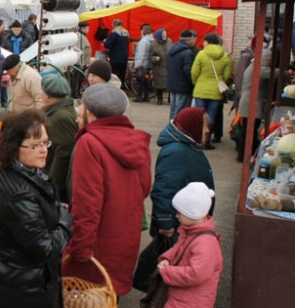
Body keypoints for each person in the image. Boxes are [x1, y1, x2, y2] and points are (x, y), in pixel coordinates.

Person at [64, 82, 151, 297]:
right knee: (110, 295)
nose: (78, 116)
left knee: (89, 296)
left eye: (81, 111)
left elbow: (86, 204)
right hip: (126, 237)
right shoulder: (136, 140)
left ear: (91, 114)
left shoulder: (90, 143)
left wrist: (79, 250)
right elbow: (144, 187)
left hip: (97, 243)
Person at [0, 109, 72, 308]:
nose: (43, 150)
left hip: (17, 279)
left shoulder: (21, 172)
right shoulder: (18, 194)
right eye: (35, 145)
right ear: (14, 147)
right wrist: (65, 220)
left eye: (45, 143)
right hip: (24, 291)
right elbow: (46, 250)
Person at [151, 107, 215, 241]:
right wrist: (165, 222)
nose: (207, 131)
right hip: (177, 226)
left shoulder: (190, 145)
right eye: (204, 126)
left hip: (187, 221)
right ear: (193, 126)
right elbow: (164, 189)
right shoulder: (176, 152)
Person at [157, 182, 223, 308]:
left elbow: (195, 274)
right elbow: (179, 248)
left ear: (192, 214)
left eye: (179, 213)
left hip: (192, 302)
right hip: (181, 297)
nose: (176, 216)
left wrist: (167, 272)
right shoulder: (190, 230)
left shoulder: (206, 243)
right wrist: (167, 258)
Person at [191, 33, 231, 150]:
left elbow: (194, 72)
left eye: (204, 41)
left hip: (201, 89)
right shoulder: (224, 56)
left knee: (200, 116)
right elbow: (227, 74)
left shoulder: (201, 54)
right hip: (215, 91)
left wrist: (196, 83)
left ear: (208, 42)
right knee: (211, 116)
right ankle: (207, 141)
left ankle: (199, 139)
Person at [41, 74, 78, 202]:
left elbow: (63, 154)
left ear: (48, 96)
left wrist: (51, 187)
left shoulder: (60, 117)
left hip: (55, 183)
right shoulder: (58, 111)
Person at [237, 50, 274, 162]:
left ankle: (242, 154)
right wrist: (286, 72)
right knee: (249, 131)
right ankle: (245, 155)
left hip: (248, 102)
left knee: (247, 130)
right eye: (269, 60)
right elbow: (271, 73)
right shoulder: (258, 68)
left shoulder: (253, 66)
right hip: (251, 103)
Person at [167, 29, 199, 120]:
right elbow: (188, 71)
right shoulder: (187, 53)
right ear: (188, 40)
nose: (195, 41)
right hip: (183, 86)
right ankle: (177, 130)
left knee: (173, 110)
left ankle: (171, 127)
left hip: (172, 84)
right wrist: (192, 83)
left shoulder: (172, 49)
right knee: (180, 111)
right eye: (193, 39)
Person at [103, 19, 130, 87]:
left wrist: (105, 41)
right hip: (124, 56)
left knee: (114, 74)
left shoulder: (114, 33)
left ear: (114, 25)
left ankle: (115, 87)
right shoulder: (126, 33)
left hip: (115, 57)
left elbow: (107, 44)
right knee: (122, 73)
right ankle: (122, 86)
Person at [150, 28, 172, 105]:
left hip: (169, 66)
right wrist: (155, 58)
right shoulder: (153, 44)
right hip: (159, 67)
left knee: (170, 84)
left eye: (165, 34)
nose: (165, 36)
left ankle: (170, 99)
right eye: (163, 35)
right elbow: (150, 56)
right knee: (159, 84)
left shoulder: (169, 41)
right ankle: (160, 99)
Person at [133, 24, 154, 102]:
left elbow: (140, 54)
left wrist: (138, 64)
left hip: (142, 64)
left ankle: (139, 97)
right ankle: (146, 96)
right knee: (146, 81)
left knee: (140, 81)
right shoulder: (151, 40)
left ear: (143, 31)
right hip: (148, 64)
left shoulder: (143, 41)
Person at [71, 21, 92, 98]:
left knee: (79, 78)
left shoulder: (82, 35)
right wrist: (81, 62)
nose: (88, 30)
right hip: (80, 62)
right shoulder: (79, 36)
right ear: (82, 28)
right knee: (77, 78)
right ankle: (75, 93)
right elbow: (80, 50)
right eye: (87, 28)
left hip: (82, 62)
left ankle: (77, 92)